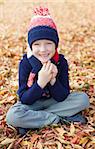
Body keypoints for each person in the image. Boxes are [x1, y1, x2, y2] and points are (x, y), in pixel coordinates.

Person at [6, 7, 90, 135]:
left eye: (48, 43)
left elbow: (63, 96)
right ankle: (59, 118)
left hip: (54, 101)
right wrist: (40, 82)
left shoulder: (61, 62)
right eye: (37, 44)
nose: (43, 49)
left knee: (83, 99)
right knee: (13, 116)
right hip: (32, 104)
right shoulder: (25, 63)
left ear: (56, 45)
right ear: (30, 46)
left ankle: (35, 121)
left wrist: (52, 80)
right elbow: (24, 99)